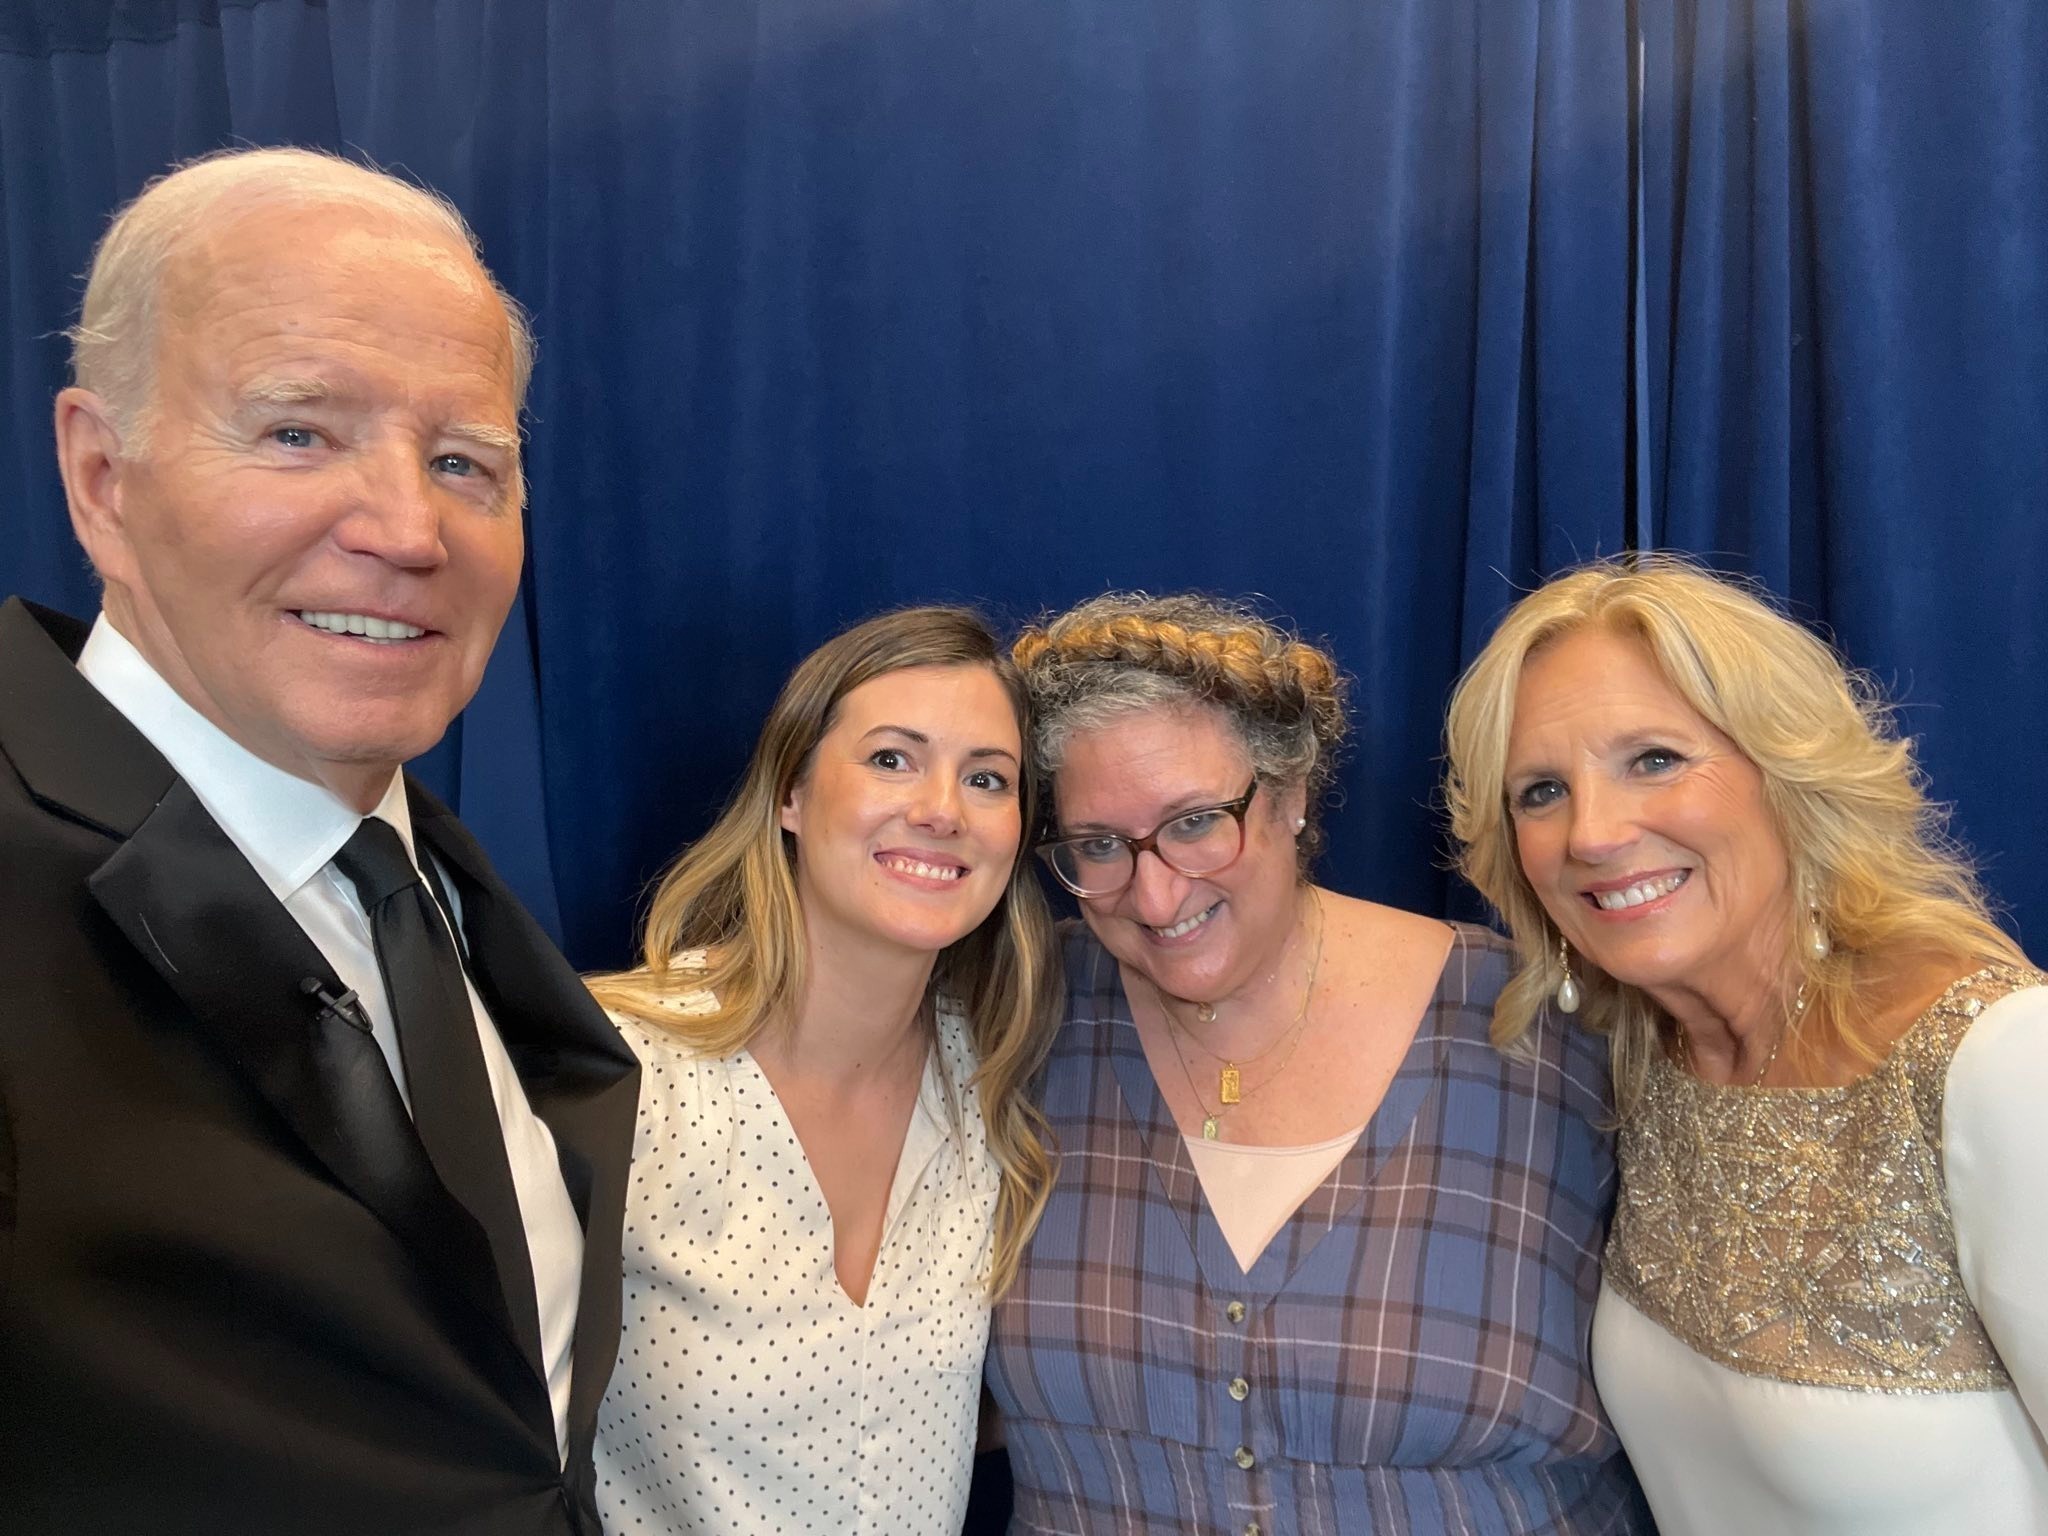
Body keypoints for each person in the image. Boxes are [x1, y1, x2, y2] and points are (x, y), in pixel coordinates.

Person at [0, 148, 639, 1533]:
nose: (411, 530)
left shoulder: (433, 889)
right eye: (299, 431)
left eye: (466, 462)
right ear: (102, 477)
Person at [985, 592, 1649, 1535]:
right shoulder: (1016, 1023)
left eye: (1197, 821)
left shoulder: (1542, 1027)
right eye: (1098, 846)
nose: (1157, 889)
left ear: (1291, 796)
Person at [1443, 555, 2048, 1534]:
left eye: (1652, 759)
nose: (1591, 834)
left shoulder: (2000, 1061)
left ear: (1787, 773)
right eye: (1540, 791)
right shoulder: (1643, 1058)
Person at [588, 606, 1060, 1535]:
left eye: (987, 779)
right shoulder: (615, 1067)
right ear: (790, 795)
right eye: (892, 759)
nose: (941, 809)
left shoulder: (993, 1086)